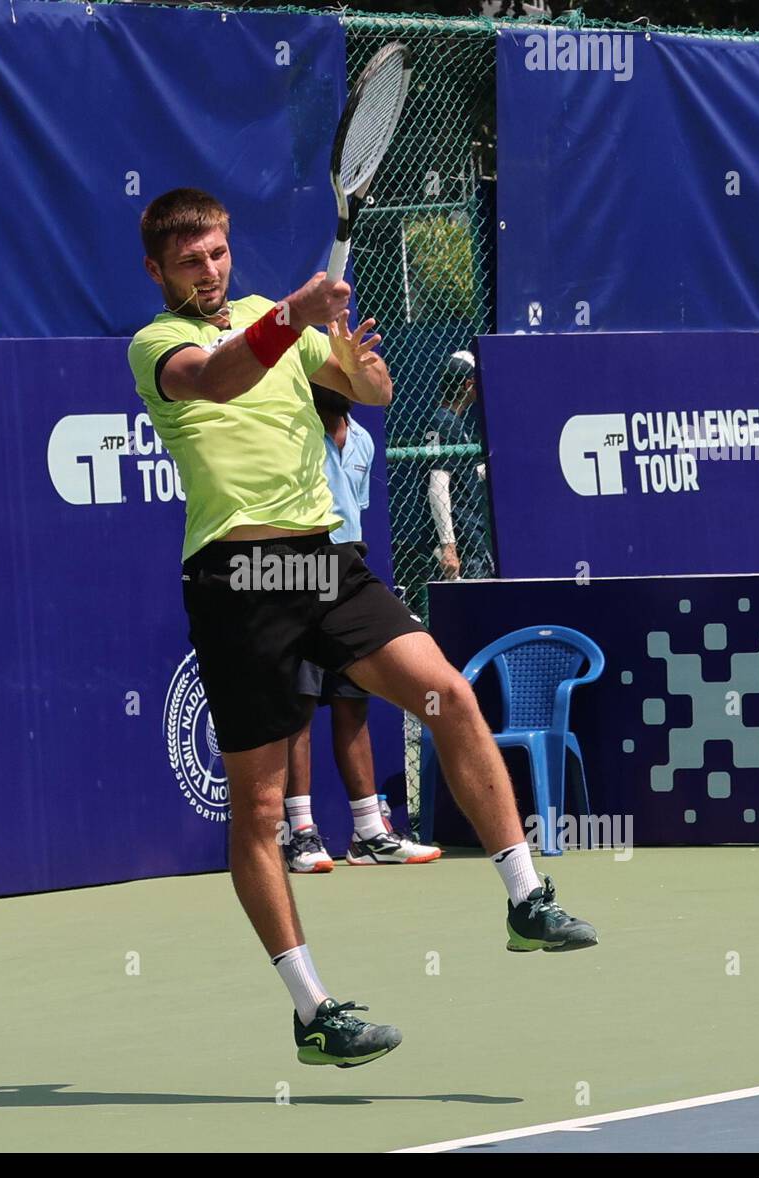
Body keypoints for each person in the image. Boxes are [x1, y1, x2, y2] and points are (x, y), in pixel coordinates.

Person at [127, 188, 597, 1070]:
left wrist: (345, 360)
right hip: (238, 579)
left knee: (450, 695)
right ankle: (313, 1011)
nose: (210, 270)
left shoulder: (274, 317)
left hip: (323, 561)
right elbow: (221, 378)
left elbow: (370, 392)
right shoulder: (161, 345)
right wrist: (292, 324)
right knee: (262, 810)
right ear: (157, 270)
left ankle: (526, 898)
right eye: (190, 261)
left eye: (219, 253)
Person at [283, 384, 441, 872]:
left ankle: (369, 833)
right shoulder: (295, 435)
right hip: (301, 571)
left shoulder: (365, 442)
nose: (342, 388)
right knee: (299, 710)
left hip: (349, 571)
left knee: (354, 704)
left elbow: (355, 517)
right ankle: (301, 835)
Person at [424, 349, 496, 581]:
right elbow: (438, 484)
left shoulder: (449, 421)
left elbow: (464, 474)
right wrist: (449, 547)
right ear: (467, 385)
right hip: (463, 542)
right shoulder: (445, 422)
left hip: (470, 537)